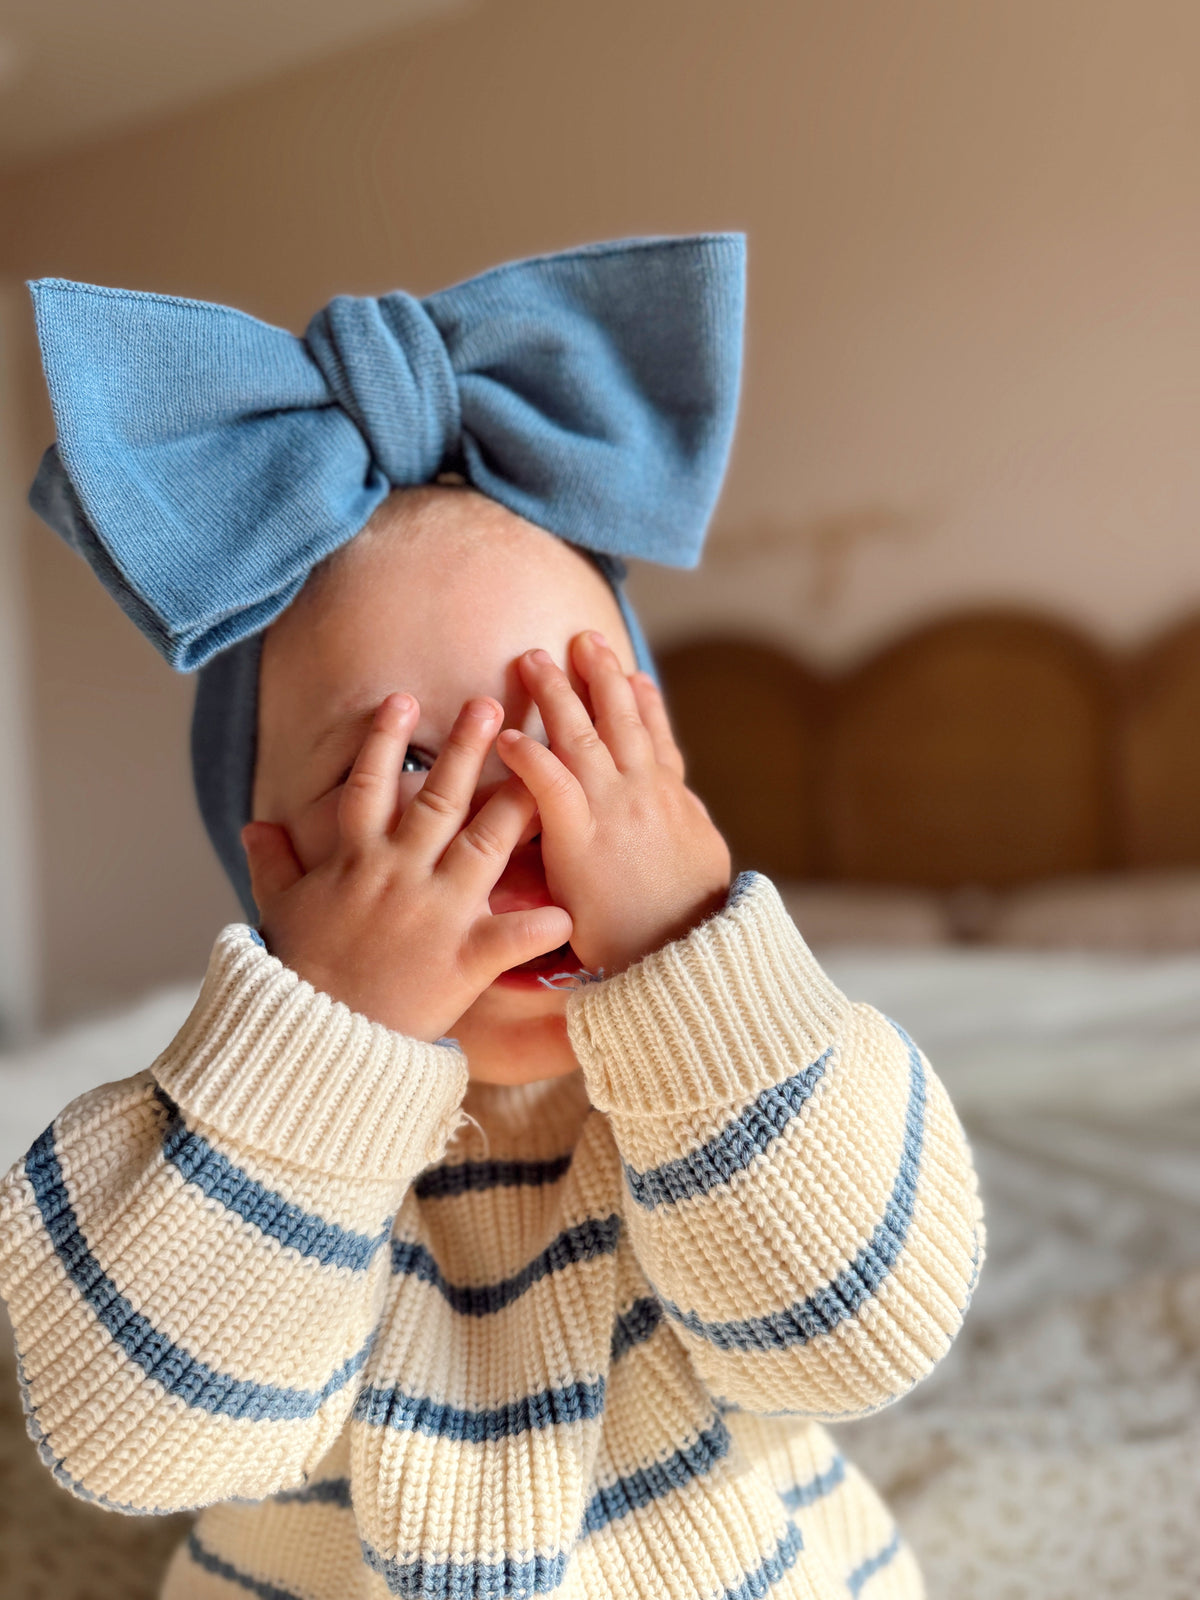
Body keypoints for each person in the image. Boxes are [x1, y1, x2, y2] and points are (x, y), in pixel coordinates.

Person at [0, 235, 984, 1600]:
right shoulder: (202, 1144)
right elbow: (139, 1439)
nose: (514, 814)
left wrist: (690, 965)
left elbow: (855, 1337)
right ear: (269, 855)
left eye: (573, 742)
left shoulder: (762, 1084)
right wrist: (325, 1050)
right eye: (413, 765)